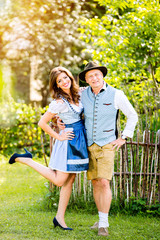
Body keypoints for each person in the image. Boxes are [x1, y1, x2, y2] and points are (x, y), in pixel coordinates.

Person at [58, 61, 138, 236]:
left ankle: (103, 224)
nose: (94, 78)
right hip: (87, 145)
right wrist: (59, 120)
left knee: (103, 181)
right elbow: (67, 106)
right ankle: (100, 219)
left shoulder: (116, 94)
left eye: (96, 74)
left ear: (102, 76)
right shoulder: (81, 93)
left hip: (107, 144)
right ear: (86, 80)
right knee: (95, 182)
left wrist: (124, 137)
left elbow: (132, 115)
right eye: (89, 76)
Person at [9, 66, 89, 231]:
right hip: (68, 141)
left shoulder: (77, 94)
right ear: (57, 85)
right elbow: (42, 123)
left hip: (79, 140)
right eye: (60, 81)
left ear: (70, 77)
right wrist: (59, 135)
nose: (64, 81)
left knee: (71, 179)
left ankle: (59, 218)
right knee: (60, 180)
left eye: (65, 77)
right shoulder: (59, 102)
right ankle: (26, 159)